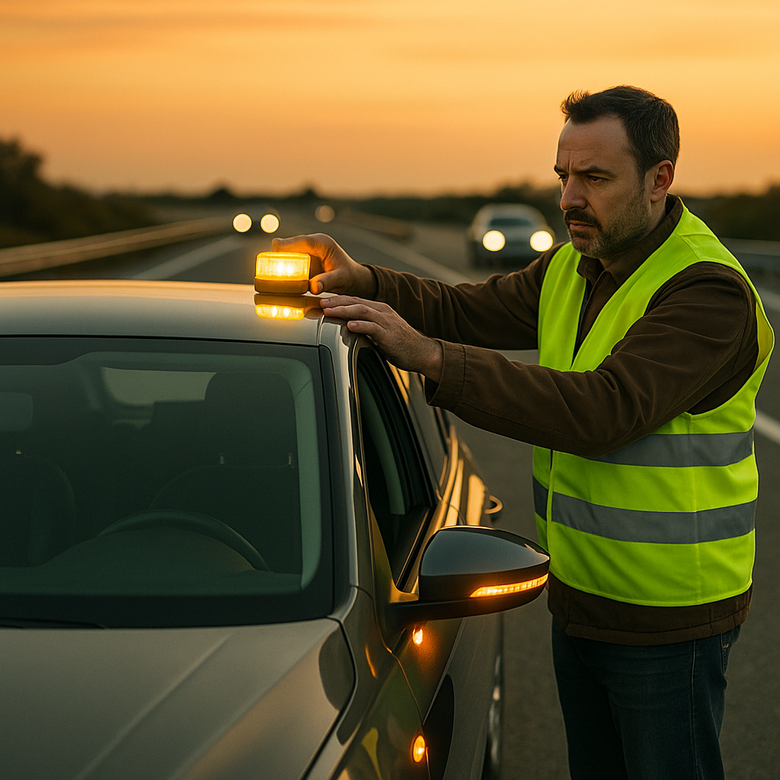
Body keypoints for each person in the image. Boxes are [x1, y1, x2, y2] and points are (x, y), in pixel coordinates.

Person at [274, 85, 774, 780]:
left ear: (660, 180)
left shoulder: (706, 291)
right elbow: (470, 309)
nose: (570, 197)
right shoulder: (579, 264)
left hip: (668, 620)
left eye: (595, 178)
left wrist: (431, 359)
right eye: (564, 176)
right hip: (584, 601)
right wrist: (368, 282)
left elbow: (603, 410)